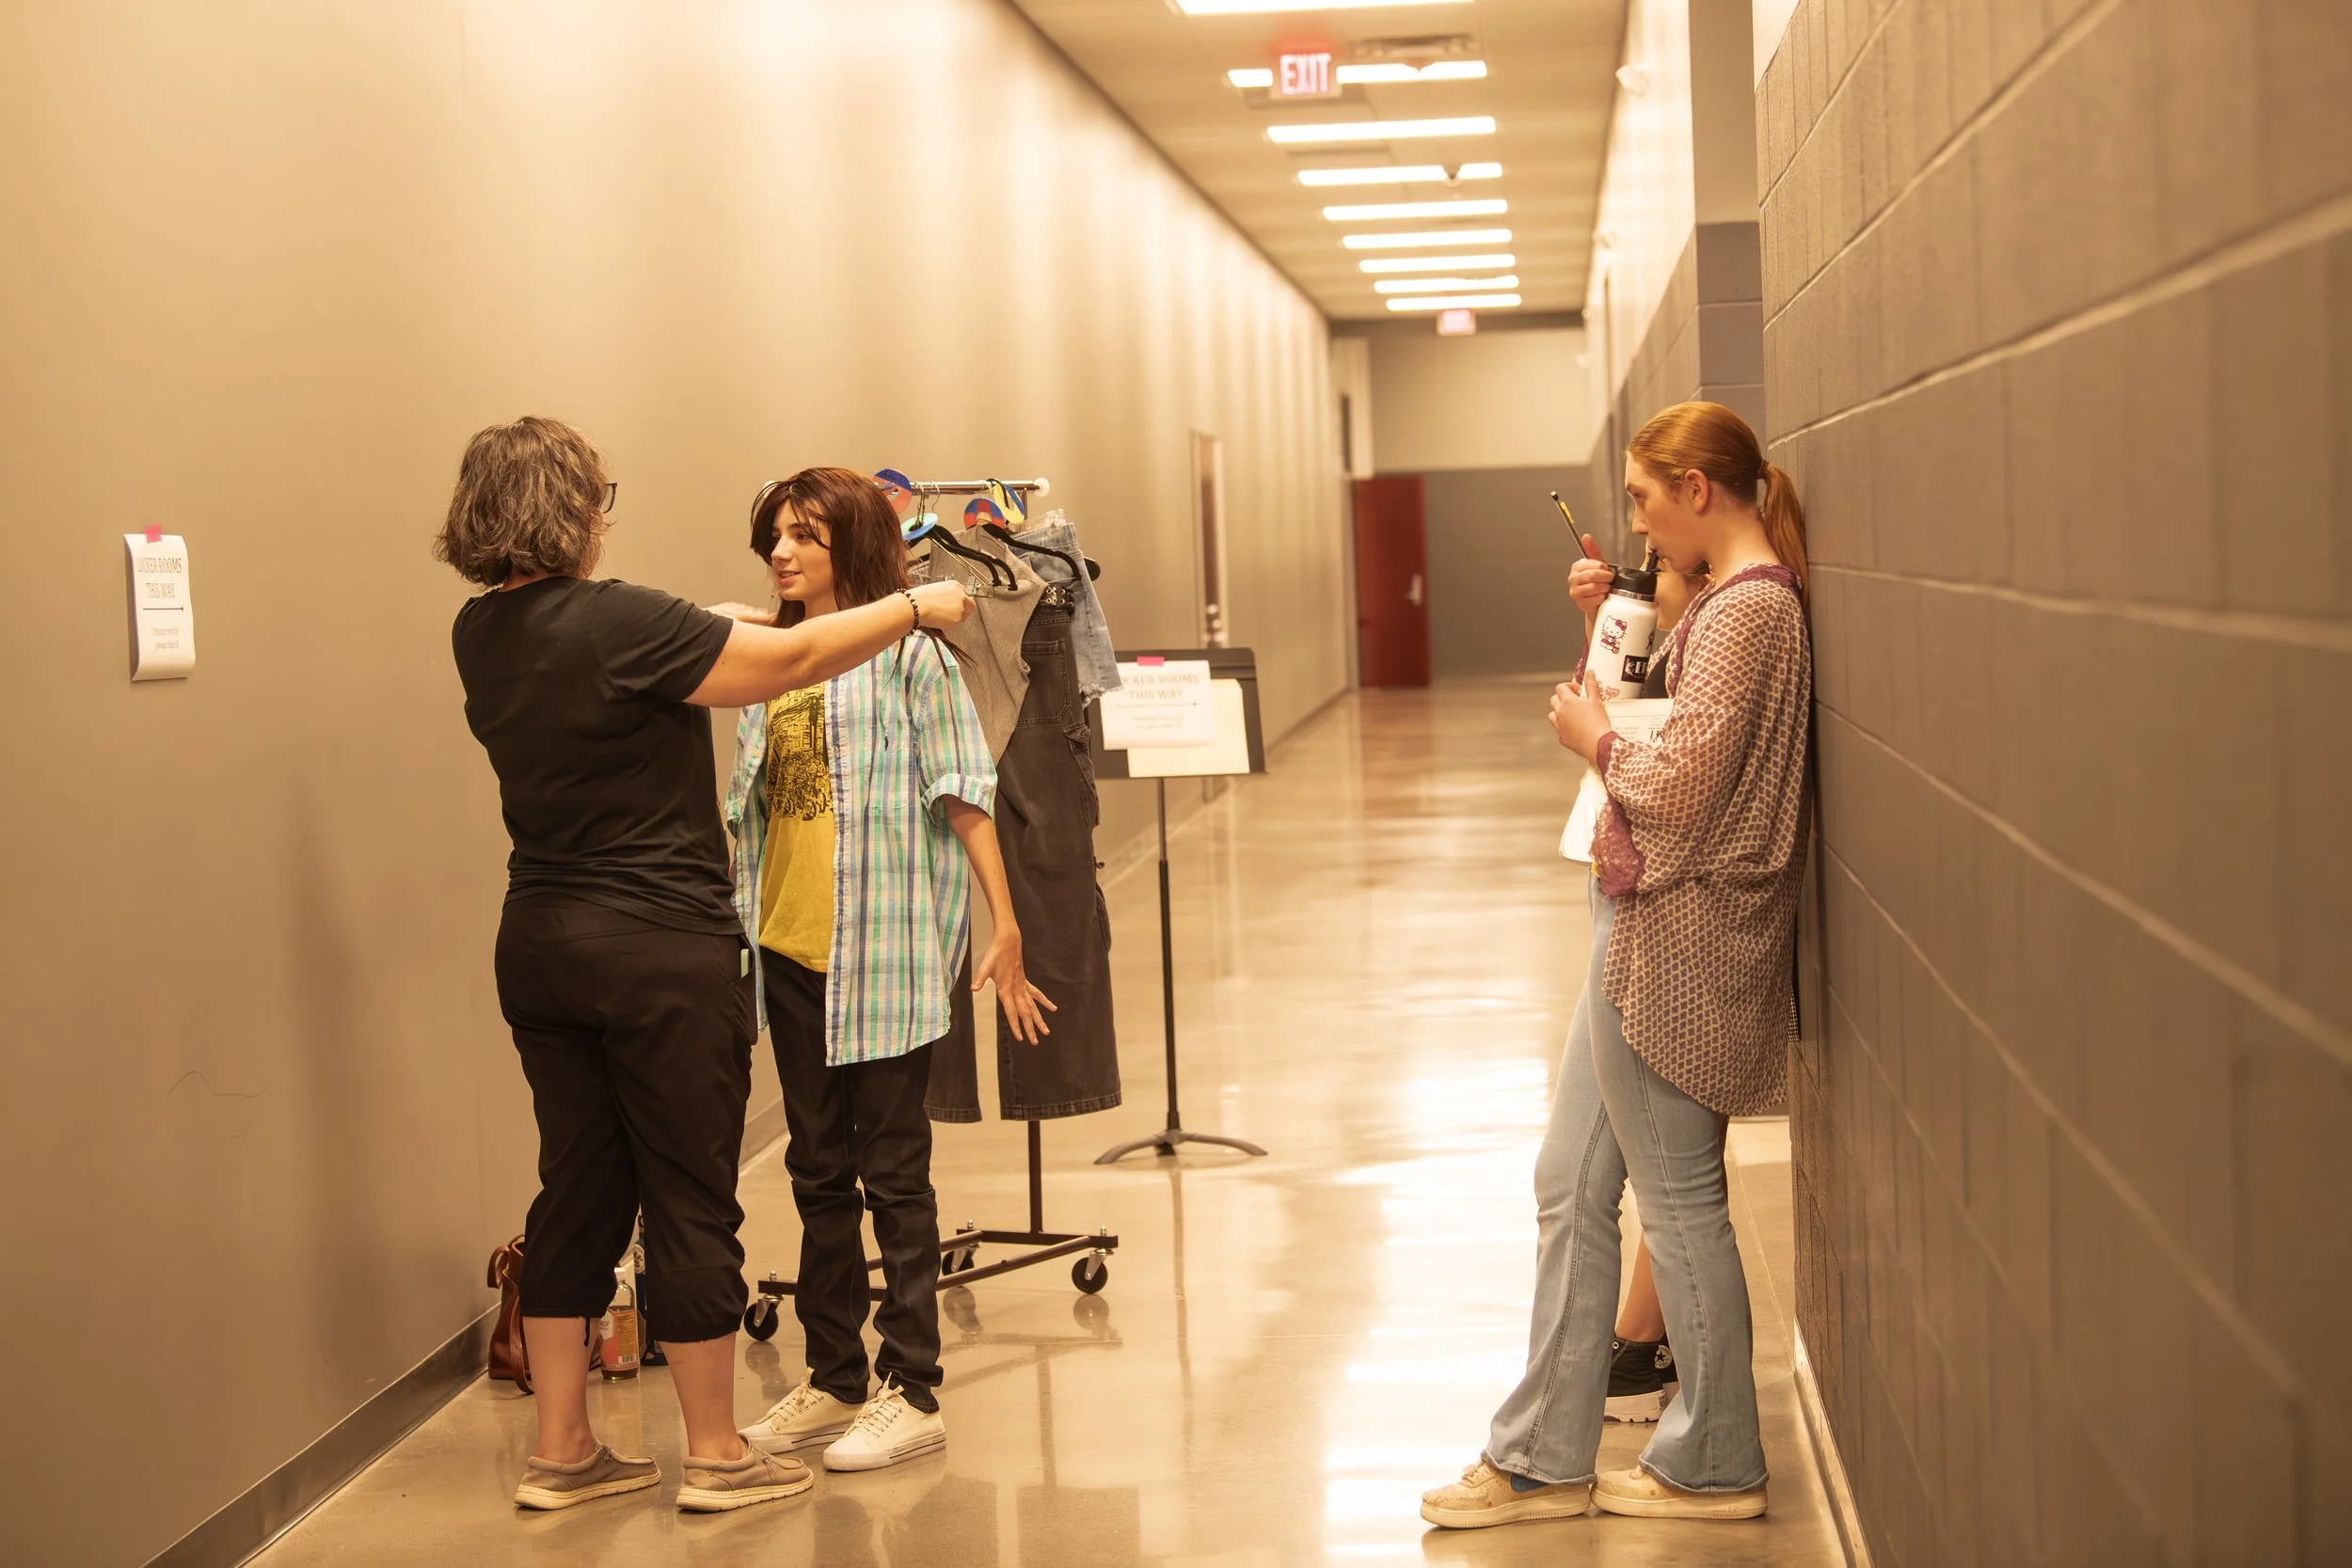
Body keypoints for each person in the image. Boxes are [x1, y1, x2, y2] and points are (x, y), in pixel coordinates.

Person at [437, 419, 974, 1515]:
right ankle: (720, 1451)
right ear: (569, 509)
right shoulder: (625, 621)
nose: (605, 515)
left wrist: (723, 621)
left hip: (539, 943)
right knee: (688, 1193)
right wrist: (917, 604)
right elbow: (795, 658)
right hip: (659, 955)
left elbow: (674, 641)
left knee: (574, 1190)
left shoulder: (480, 630)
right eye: (600, 495)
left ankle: (564, 1449)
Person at [1423, 401, 1810, 1528]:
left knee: (1676, 1201)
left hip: (1680, 934)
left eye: (1644, 496)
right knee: (1570, 1181)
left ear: (1699, 488)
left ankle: (1714, 1459)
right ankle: (1543, 1453)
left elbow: (1681, 778)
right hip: (1647, 922)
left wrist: (1590, 738)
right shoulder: (1731, 603)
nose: (1633, 521)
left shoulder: (1750, 611)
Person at [722, 468, 1055, 1473]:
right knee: (814, 1169)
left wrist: (1006, 925)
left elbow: (963, 789)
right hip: (786, 946)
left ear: (851, 546)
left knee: (893, 1173)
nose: (782, 552)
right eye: (774, 535)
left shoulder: (912, 658)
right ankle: (832, 1377)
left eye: (804, 536)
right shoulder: (770, 660)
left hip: (887, 947)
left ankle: (910, 1386)